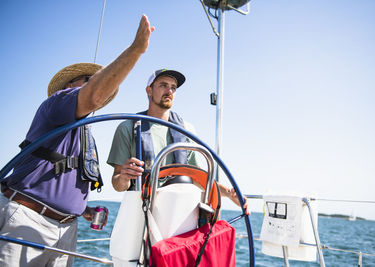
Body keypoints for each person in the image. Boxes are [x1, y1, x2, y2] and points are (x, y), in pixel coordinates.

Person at [0, 14, 154, 267]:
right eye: (89, 81)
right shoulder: (57, 104)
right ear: (70, 86)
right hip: (28, 220)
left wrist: (84, 211)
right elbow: (92, 98)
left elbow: (62, 176)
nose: (98, 88)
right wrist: (136, 50)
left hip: (66, 230)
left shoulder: (83, 132)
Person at [107, 69, 249, 214]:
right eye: (163, 85)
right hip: (141, 211)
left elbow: (198, 179)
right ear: (149, 90)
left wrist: (230, 194)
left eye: (173, 87)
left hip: (179, 211)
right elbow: (117, 184)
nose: (169, 91)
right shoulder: (127, 128)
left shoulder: (187, 130)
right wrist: (124, 177)